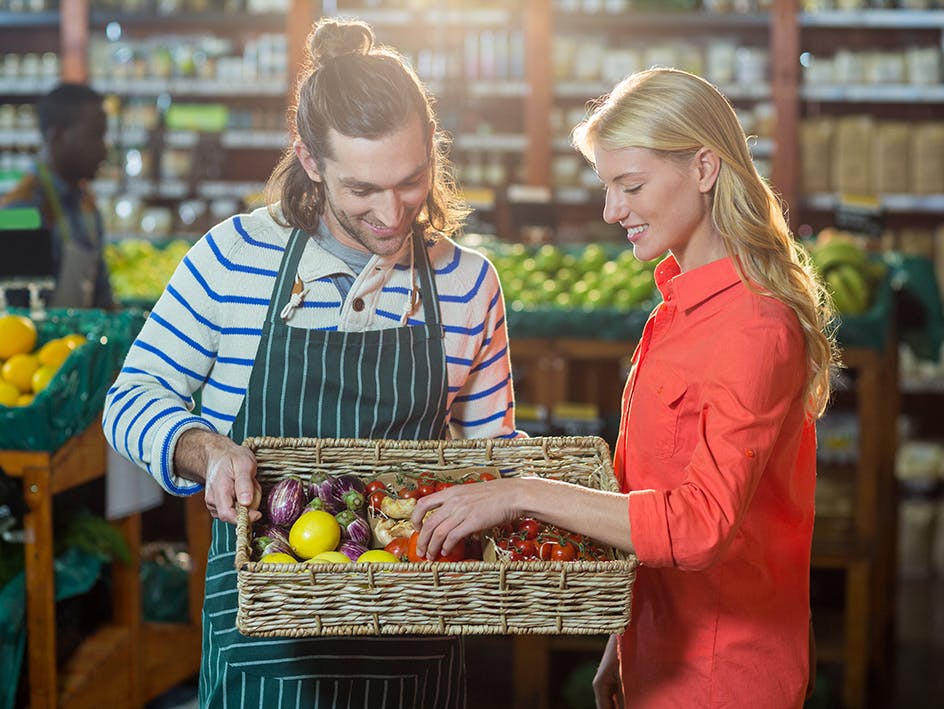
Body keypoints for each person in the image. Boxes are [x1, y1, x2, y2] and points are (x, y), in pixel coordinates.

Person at [102, 18, 518, 708]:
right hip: (262, 652)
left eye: (412, 181)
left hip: (411, 642)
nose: (391, 213)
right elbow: (131, 396)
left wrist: (519, 479)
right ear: (310, 158)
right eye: (362, 191)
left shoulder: (468, 283)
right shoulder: (233, 257)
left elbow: (490, 450)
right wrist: (203, 447)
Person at [412, 68, 837, 708]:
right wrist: (625, 631)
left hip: (725, 676)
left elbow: (697, 527)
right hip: (660, 651)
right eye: (608, 187)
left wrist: (521, 494)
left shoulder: (755, 329)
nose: (612, 211)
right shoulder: (678, 305)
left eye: (630, 185)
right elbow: (651, 495)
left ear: (703, 168)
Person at [0, 82, 113, 309]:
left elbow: (102, 295)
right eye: (96, 135)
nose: (104, 148)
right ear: (57, 137)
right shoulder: (21, 208)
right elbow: (18, 311)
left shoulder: (86, 203)